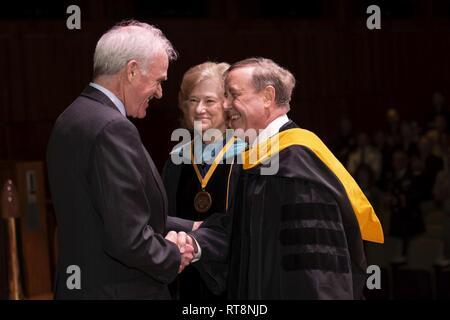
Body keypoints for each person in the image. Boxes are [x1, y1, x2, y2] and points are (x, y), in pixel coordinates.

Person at [192, 57, 384, 299]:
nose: (225, 105)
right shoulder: (260, 161)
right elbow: (241, 238)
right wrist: (181, 233)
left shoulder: (295, 166)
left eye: (233, 94)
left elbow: (316, 271)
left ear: (267, 97)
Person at [46, 20, 194, 299]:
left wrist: (188, 227)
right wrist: (173, 255)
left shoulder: (70, 117)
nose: (160, 92)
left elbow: (102, 213)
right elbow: (128, 237)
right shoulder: (113, 128)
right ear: (132, 70)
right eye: (158, 80)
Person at [162, 62, 246, 300]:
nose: (200, 109)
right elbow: (161, 215)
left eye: (209, 101)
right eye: (192, 100)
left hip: (234, 279)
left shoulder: (247, 156)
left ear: (227, 103)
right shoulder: (176, 160)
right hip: (183, 275)